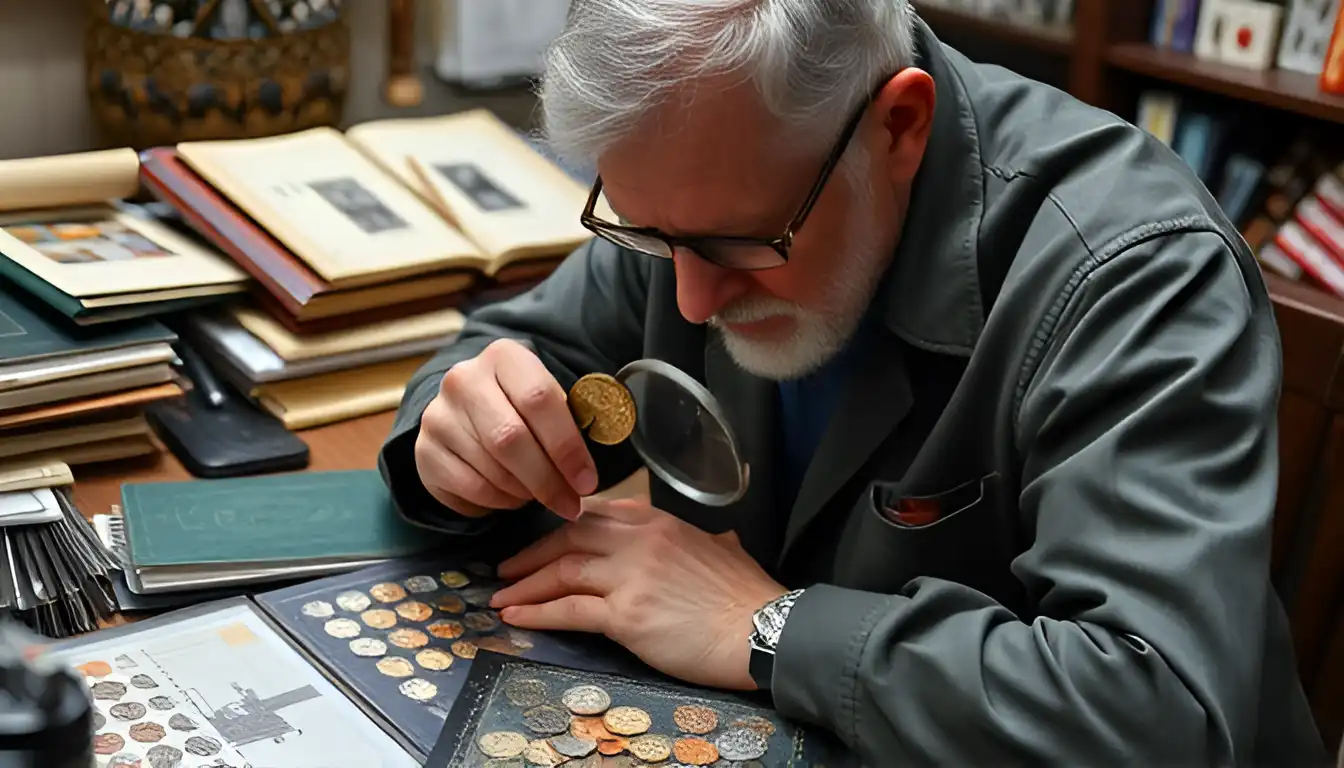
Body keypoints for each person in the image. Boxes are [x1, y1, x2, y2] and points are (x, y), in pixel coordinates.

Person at [379, 1, 1327, 763]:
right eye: (648, 235)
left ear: (900, 127)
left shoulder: (1133, 273)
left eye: (740, 245)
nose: (694, 300)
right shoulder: (707, 191)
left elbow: (1153, 711)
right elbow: (507, 351)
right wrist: (458, 437)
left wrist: (771, 625)